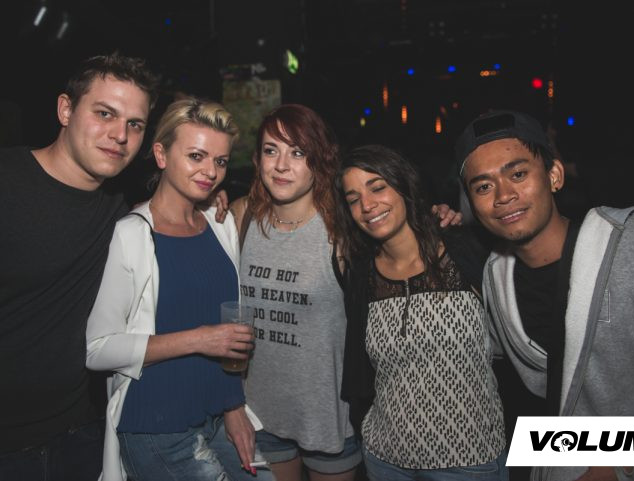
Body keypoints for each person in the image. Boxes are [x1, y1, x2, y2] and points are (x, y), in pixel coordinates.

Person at [455, 109, 634, 481]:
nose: (503, 196)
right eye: (483, 187)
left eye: (518, 174)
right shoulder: (495, 276)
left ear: (554, 175)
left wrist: (626, 464)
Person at [229, 105, 460, 481]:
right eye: (271, 150)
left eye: (298, 152)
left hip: (329, 419)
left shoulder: (345, 228)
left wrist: (441, 220)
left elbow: (401, 234)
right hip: (258, 415)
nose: (282, 165)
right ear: (257, 159)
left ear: (319, 160)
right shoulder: (242, 217)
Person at [85, 98, 273, 481]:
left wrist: (234, 406)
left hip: (217, 413)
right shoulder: (132, 234)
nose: (211, 172)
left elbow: (230, 331)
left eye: (220, 161)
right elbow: (97, 349)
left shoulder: (220, 224)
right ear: (161, 154)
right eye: (196, 156)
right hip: (157, 426)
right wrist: (200, 339)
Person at [0, 53, 159, 480]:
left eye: (135, 124)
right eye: (104, 114)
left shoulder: (120, 207)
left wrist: (207, 197)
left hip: (81, 433)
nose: (120, 135)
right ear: (65, 110)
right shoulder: (7, 183)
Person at [336, 145, 508, 481]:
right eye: (353, 199)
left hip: (469, 461)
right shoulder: (361, 273)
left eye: (377, 187)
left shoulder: (465, 251)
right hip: (385, 460)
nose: (367, 205)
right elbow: (361, 372)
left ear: (404, 186)